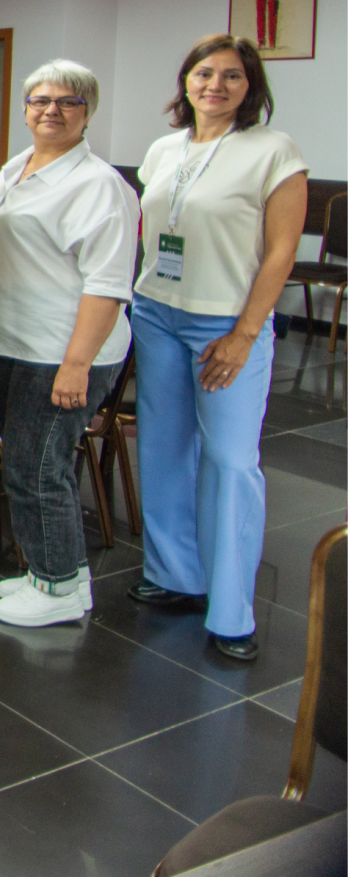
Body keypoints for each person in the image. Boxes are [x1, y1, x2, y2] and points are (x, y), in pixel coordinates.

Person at [129, 35, 306, 661]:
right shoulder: (163, 149)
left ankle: (232, 612)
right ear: (186, 81)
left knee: (230, 461)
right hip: (156, 313)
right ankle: (176, 575)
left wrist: (245, 334)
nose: (216, 86)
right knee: (163, 448)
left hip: (226, 322)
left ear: (250, 87)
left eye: (233, 76)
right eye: (205, 73)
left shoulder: (273, 151)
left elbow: (281, 253)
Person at [0, 61, 136, 626]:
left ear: (87, 113)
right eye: (40, 100)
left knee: (38, 468)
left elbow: (108, 286)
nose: (52, 110)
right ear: (25, 108)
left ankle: (59, 589)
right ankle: (58, 570)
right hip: (14, 341)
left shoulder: (99, 185)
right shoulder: (17, 166)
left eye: (68, 102)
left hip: (62, 352)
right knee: (29, 464)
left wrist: (77, 364)